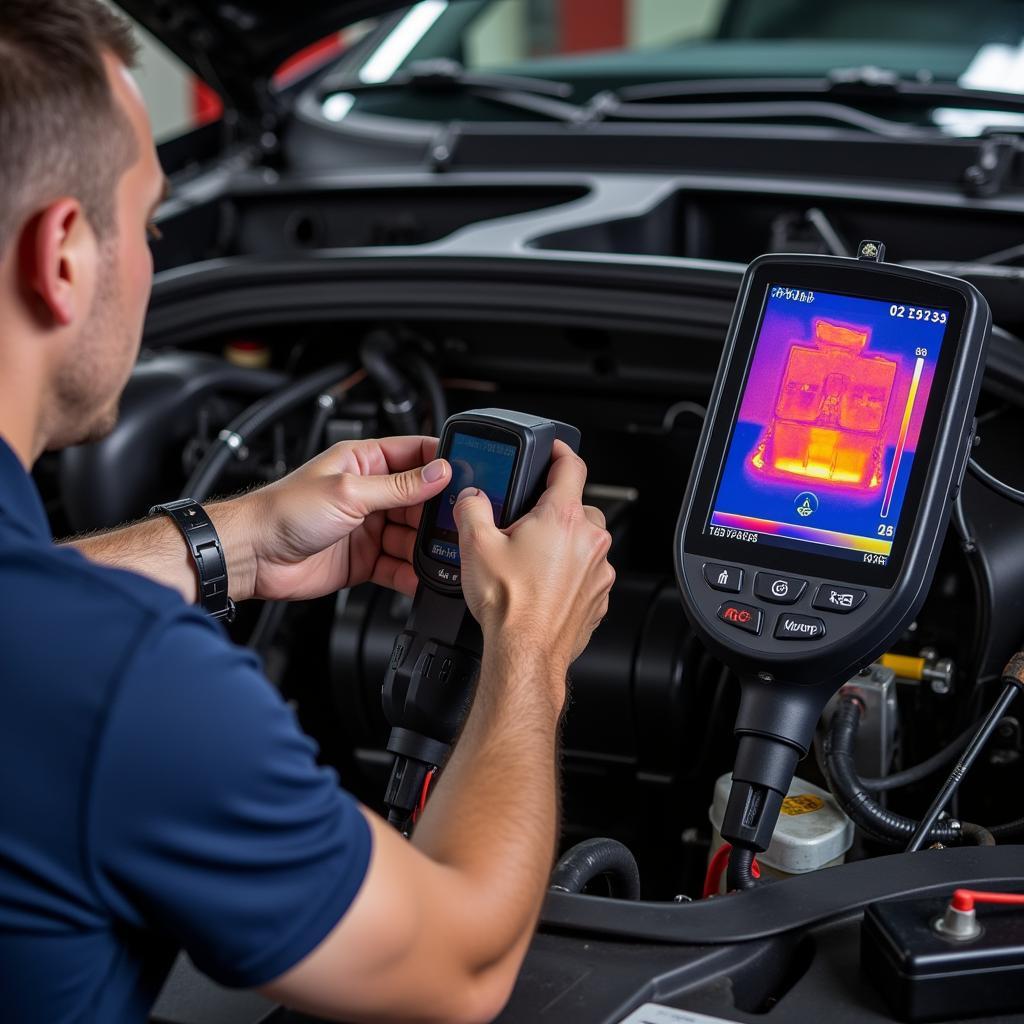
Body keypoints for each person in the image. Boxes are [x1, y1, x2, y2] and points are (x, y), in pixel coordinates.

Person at [0, 3, 615, 1022]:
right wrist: (534, 651)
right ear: (63, 255)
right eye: (151, 225)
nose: (156, 258)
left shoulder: (76, 661)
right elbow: (456, 966)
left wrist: (224, 541)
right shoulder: (128, 686)